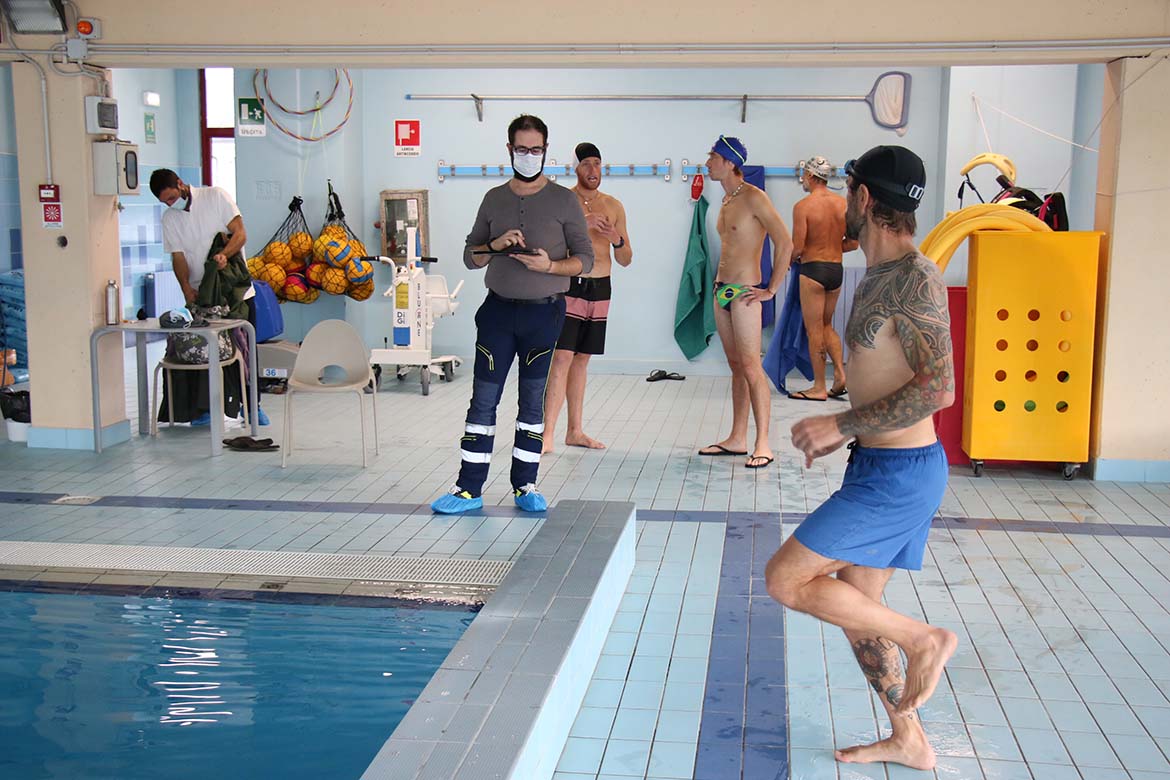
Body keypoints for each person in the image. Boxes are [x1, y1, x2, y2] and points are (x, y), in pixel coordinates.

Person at [765, 146, 957, 771]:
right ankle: (909, 739)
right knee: (858, 607)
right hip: (878, 467)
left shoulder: (916, 278)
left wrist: (841, 423)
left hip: (900, 477)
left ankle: (925, 639)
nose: (845, 200)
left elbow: (939, 389)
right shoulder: (874, 273)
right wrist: (850, 433)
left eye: (849, 190)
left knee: (786, 579)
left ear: (865, 198)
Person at [431, 115, 594, 515]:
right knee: (483, 402)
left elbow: (586, 259)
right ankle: (468, 489)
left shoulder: (564, 201)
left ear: (546, 151)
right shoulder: (494, 199)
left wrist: (550, 266)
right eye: (522, 149)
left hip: (544, 315)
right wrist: (495, 244)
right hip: (498, 314)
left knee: (532, 403)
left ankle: (525, 485)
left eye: (536, 150)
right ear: (509, 150)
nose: (529, 156)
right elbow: (470, 257)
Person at [698, 135, 794, 469]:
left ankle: (763, 443)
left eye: (712, 157)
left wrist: (771, 289)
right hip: (722, 290)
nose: (707, 163)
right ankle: (737, 438)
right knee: (736, 367)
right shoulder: (726, 200)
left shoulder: (755, 197)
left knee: (752, 367)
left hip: (745, 293)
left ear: (729, 162)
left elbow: (785, 243)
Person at [150, 169, 269, 427]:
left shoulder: (215, 197)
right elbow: (178, 257)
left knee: (244, 350)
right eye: (165, 202)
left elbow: (240, 233)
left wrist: (225, 254)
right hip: (201, 298)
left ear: (180, 184)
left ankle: (252, 407)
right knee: (200, 351)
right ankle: (203, 410)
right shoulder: (170, 219)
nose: (170, 204)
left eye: (172, 197)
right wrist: (186, 288)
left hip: (235, 293)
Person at [542, 142, 633, 454]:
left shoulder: (613, 205)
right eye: (586, 164)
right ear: (576, 168)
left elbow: (626, 259)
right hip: (570, 285)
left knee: (582, 360)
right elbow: (550, 246)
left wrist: (616, 239)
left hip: (601, 287)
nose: (593, 170)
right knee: (562, 357)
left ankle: (575, 431)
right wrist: (584, 223)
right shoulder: (564, 202)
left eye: (597, 163)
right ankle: (547, 434)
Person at [787, 155, 859, 402]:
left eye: (803, 176)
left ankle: (819, 387)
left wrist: (790, 260)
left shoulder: (803, 207)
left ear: (810, 175)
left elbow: (797, 247)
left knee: (815, 330)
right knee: (827, 325)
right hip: (835, 270)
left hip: (813, 271)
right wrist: (833, 248)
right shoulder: (843, 205)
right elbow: (853, 243)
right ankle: (840, 374)